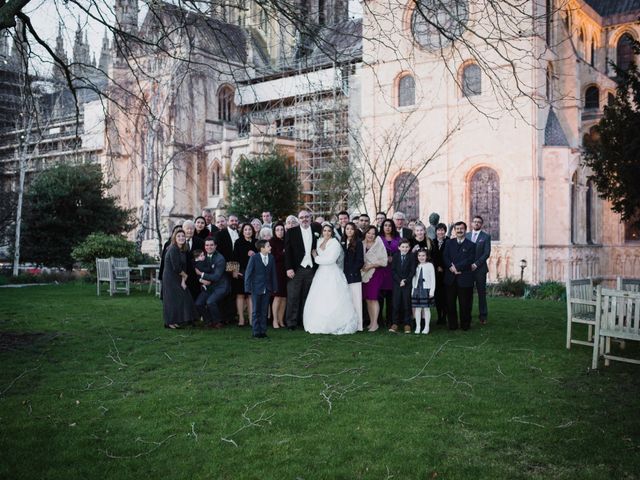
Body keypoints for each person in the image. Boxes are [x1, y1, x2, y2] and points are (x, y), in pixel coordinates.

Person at [303, 223, 358, 335]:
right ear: (322, 232)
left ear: (332, 232)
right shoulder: (319, 241)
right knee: (320, 297)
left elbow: (331, 260)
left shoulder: (335, 244)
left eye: (329, 231)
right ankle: (319, 322)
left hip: (332, 272)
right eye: (325, 230)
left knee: (332, 296)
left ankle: (336, 323)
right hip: (321, 273)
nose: (326, 233)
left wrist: (316, 257)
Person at [284, 210, 321, 330]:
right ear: (298, 220)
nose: (304, 219)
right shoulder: (291, 232)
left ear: (310, 218)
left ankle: (304, 320)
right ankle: (291, 323)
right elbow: (288, 252)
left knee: (308, 296)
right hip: (296, 268)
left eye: (306, 217)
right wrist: (289, 268)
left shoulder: (316, 231)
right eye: (301, 217)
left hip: (311, 268)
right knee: (293, 296)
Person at [443, 221, 475, 331]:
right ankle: (452, 324)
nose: (459, 230)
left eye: (461, 228)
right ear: (454, 230)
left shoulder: (471, 245)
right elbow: (445, 257)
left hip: (464, 277)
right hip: (450, 278)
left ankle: (465, 325)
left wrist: (456, 267)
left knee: (465, 304)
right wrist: (451, 267)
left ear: (465, 230)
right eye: (457, 229)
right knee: (450, 303)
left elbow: (470, 259)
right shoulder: (448, 243)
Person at [162, 229, 197, 329]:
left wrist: (183, 281)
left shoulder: (182, 249)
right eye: (178, 236)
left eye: (183, 236)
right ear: (174, 238)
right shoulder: (173, 249)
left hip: (178, 276)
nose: (181, 238)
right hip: (170, 277)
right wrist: (185, 276)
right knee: (171, 300)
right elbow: (176, 267)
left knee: (183, 297)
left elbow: (183, 267)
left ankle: (177, 320)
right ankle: (169, 322)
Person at [245, 239, 278, 339]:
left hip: (267, 288)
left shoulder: (271, 258)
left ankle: (263, 331)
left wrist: (275, 287)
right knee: (256, 311)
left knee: (264, 311)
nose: (270, 247)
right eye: (268, 246)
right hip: (256, 288)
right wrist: (247, 287)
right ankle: (256, 332)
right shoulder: (254, 258)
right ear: (262, 248)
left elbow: (273, 273)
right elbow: (248, 273)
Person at [194, 237, 229, 328]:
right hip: (208, 287)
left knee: (210, 302)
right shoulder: (202, 256)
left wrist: (201, 274)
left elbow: (216, 276)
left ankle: (218, 322)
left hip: (220, 286)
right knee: (198, 303)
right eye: (207, 245)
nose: (209, 247)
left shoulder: (220, 258)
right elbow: (195, 270)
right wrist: (201, 279)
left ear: (215, 246)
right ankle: (208, 321)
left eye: (211, 245)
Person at [466, 215, 492, 325]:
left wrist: (476, 264)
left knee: (481, 293)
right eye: (474, 221)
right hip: (467, 270)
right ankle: (467, 315)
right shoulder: (466, 236)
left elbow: (486, 253)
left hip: (480, 269)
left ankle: (483, 316)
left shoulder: (486, 237)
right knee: (467, 293)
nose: (476, 223)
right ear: (472, 223)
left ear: (481, 224)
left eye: (478, 222)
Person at [362, 226, 387, 332]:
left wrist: (371, 266)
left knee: (373, 298)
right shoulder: (362, 243)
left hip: (376, 273)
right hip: (364, 273)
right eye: (368, 233)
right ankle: (371, 322)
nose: (370, 235)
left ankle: (375, 323)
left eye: (373, 233)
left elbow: (384, 261)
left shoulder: (379, 244)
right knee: (368, 299)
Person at [232, 223, 257, 327]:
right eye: (246, 230)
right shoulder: (238, 242)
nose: (248, 231)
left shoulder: (256, 243)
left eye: (250, 229)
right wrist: (234, 271)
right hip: (241, 272)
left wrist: (255, 254)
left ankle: (251, 319)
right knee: (240, 295)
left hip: (253, 273)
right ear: (242, 231)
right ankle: (241, 319)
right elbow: (234, 257)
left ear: (253, 231)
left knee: (251, 295)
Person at [389, 239, 416, 333]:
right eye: (403, 247)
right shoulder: (396, 256)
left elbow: (412, 271)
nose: (405, 249)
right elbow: (393, 270)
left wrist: (406, 281)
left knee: (406, 304)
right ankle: (395, 323)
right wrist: (399, 280)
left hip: (407, 284)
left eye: (407, 247)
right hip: (397, 283)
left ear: (409, 248)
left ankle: (407, 324)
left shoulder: (412, 256)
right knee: (396, 304)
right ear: (399, 247)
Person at [343, 222, 365, 331]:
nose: (349, 231)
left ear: (355, 230)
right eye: (347, 229)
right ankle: (347, 323)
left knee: (356, 301)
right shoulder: (342, 242)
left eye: (351, 229)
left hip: (354, 276)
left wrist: (352, 271)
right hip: (343, 276)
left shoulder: (359, 243)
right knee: (346, 301)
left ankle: (358, 325)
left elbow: (360, 261)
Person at [378, 219, 401, 327]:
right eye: (385, 225)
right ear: (382, 227)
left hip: (393, 271)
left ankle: (390, 320)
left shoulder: (398, 239)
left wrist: (394, 258)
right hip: (381, 271)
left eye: (390, 225)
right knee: (380, 298)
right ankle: (379, 320)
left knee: (391, 299)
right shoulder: (378, 239)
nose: (387, 227)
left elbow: (403, 252)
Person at [412, 249, 436, 334]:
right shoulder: (416, 265)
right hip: (417, 289)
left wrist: (432, 291)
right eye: (419, 256)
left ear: (426, 256)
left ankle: (426, 326)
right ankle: (418, 326)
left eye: (423, 255)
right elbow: (414, 279)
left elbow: (433, 279)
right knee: (417, 309)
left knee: (426, 308)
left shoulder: (430, 265)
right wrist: (412, 290)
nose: (421, 257)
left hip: (426, 289)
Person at [270, 222, 287, 329]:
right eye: (277, 230)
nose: (280, 232)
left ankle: (281, 320)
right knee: (277, 296)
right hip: (277, 272)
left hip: (286, 272)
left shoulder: (286, 241)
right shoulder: (271, 242)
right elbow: (273, 258)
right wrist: (283, 253)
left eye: (282, 229)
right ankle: (274, 320)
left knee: (284, 297)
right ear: (274, 231)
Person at [431, 223, 448, 325]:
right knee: (437, 296)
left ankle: (444, 316)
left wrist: (443, 267)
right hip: (436, 272)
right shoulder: (432, 242)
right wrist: (437, 266)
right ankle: (439, 316)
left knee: (445, 296)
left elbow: (450, 256)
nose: (440, 232)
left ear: (445, 231)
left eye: (442, 230)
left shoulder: (449, 241)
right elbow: (432, 256)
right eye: (439, 230)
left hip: (446, 272)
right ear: (436, 231)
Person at [183, 220, 204, 300]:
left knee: (195, 299)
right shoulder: (179, 242)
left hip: (196, 276)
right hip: (183, 275)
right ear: (183, 229)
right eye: (187, 228)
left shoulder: (200, 242)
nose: (189, 231)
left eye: (191, 229)